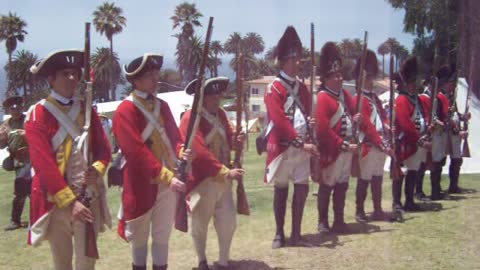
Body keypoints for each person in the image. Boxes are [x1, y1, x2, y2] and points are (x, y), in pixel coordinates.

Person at [26, 49, 112, 270]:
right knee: (62, 262)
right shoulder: (37, 114)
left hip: (88, 196)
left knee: (87, 263)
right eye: (65, 73)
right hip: (57, 202)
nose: (72, 78)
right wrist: (71, 202)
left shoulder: (87, 109)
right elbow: (43, 164)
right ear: (51, 79)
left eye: (75, 73)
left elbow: (104, 149)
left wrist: (97, 168)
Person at [113, 53, 189, 270]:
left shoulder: (162, 106)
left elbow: (174, 137)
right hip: (140, 183)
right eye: (150, 75)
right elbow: (135, 152)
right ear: (136, 81)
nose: (156, 78)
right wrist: (167, 177)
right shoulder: (125, 110)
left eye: (156, 73)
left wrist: (182, 150)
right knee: (139, 238)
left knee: (162, 236)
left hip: (167, 182)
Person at [179, 77, 245, 270]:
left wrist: (236, 139)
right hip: (202, 181)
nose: (217, 99)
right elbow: (199, 152)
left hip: (224, 180)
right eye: (212, 96)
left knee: (228, 220)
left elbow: (228, 140)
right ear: (202, 98)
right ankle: (202, 260)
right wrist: (226, 172)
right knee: (200, 224)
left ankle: (223, 261)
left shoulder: (221, 115)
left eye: (218, 95)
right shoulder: (190, 119)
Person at [264, 26, 317, 248]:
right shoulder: (274, 88)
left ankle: (296, 233)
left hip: (303, 148)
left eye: (299, 59)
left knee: (302, 187)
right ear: (284, 61)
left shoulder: (302, 88)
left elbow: (306, 113)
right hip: (284, 148)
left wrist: (310, 124)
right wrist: (300, 142)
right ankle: (279, 233)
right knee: (282, 189)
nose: (298, 63)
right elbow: (280, 121)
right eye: (294, 60)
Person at [315, 42, 361, 234]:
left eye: (340, 74)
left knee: (342, 185)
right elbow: (323, 130)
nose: (340, 78)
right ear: (326, 78)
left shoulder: (343, 95)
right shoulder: (324, 97)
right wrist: (342, 144)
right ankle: (323, 222)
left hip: (346, 150)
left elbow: (353, 110)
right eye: (336, 75)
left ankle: (339, 220)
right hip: (332, 151)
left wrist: (356, 117)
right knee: (327, 186)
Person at [352, 50, 393, 223]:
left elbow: (382, 116)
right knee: (365, 178)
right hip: (369, 143)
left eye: (371, 78)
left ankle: (377, 209)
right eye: (368, 78)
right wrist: (379, 142)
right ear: (361, 78)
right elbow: (367, 125)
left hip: (380, 142)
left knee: (377, 177)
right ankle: (359, 210)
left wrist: (388, 125)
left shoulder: (375, 98)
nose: (371, 81)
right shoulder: (357, 98)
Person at [392, 56, 431, 212]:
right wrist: (419, 139)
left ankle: (409, 201)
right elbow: (405, 124)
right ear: (406, 84)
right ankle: (397, 203)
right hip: (404, 142)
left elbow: (423, 115)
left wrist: (427, 127)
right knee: (400, 172)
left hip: (417, 141)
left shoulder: (416, 99)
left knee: (413, 171)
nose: (415, 85)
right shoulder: (402, 99)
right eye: (412, 82)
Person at [417, 72, 450, 200]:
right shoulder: (424, 97)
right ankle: (418, 191)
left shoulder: (434, 98)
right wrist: (439, 123)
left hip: (436, 133)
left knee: (436, 163)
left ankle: (436, 190)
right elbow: (428, 116)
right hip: (428, 133)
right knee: (422, 164)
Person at [1, 96, 31, 231]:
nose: (15, 110)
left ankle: (34, 219)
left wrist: (27, 134)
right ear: (8, 110)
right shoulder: (6, 125)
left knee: (26, 188)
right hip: (17, 161)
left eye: (18, 108)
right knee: (22, 191)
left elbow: (42, 136)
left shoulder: (29, 120)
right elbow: (2, 146)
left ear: (22, 108)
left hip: (31, 158)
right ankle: (15, 220)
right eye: (12, 108)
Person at [438, 65, 470, 193]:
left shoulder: (451, 98)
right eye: (451, 84)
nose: (452, 86)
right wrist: (458, 131)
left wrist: (463, 117)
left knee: (457, 160)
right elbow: (446, 118)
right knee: (440, 161)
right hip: (445, 134)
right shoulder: (441, 98)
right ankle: (437, 188)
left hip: (453, 134)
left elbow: (454, 115)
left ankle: (453, 186)